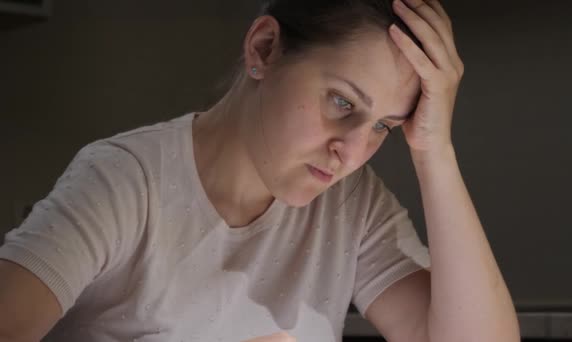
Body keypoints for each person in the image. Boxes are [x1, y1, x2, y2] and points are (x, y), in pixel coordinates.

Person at [0, 0, 520, 341]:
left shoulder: (352, 204)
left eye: (384, 125)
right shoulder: (124, 182)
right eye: (341, 102)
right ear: (264, 49)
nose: (352, 152)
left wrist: (434, 150)